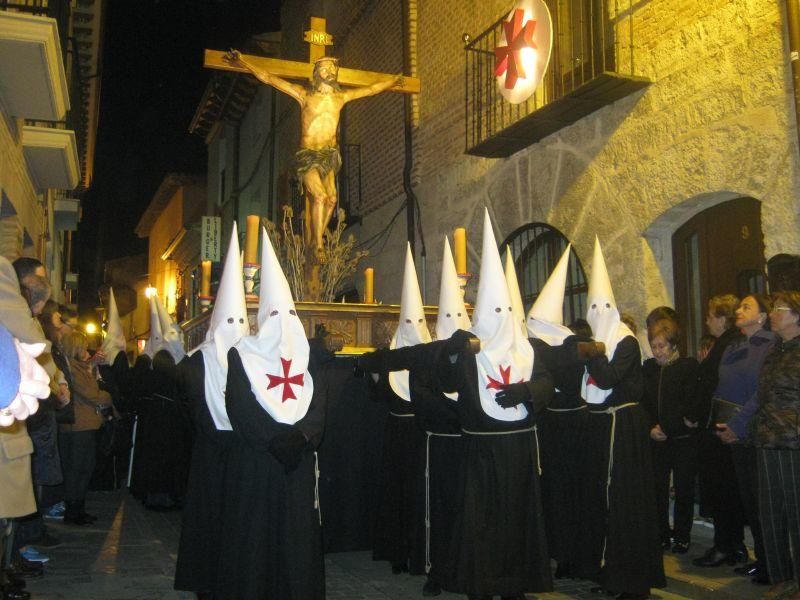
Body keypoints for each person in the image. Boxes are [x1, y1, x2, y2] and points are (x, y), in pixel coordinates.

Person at [438, 209, 553, 600]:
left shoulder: (528, 347)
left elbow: (547, 382)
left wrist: (529, 392)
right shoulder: (470, 350)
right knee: (483, 522)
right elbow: (447, 384)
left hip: (518, 450)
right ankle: (483, 584)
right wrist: (453, 354)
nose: (501, 318)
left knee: (517, 520)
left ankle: (515, 584)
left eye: (506, 310)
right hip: (483, 452)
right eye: (494, 311)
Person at [216, 227, 327, 599]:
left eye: (289, 312)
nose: (283, 319)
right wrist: (273, 439)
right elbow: (240, 406)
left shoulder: (307, 356)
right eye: (275, 312)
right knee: (256, 536)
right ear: (263, 315)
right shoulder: (242, 354)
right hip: (259, 463)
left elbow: (318, 402)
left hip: (295, 463)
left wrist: (301, 437)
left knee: (296, 537)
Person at [225, 50, 402, 257]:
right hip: (308, 155)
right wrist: (244, 62)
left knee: (332, 200)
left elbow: (371, 89)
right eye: (326, 68)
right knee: (318, 196)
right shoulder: (304, 95)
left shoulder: (341, 97)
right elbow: (270, 78)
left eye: (333, 68)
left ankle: (318, 238)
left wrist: (393, 81)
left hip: (329, 155)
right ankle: (317, 243)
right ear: (316, 73)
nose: (331, 71)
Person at [573, 237, 665, 600]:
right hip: (600, 424)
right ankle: (607, 569)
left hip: (623, 429)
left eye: (602, 305)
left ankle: (631, 578)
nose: (597, 311)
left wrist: (594, 352)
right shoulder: (598, 342)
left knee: (625, 503)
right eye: (591, 306)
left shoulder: (625, 342)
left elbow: (609, 379)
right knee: (603, 502)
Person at [174, 224, 250, 598]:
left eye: (241, 322)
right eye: (230, 322)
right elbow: (192, 410)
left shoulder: (252, 360)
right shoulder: (194, 364)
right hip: (210, 451)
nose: (235, 330)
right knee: (209, 518)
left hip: (241, 452)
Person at [526, 244, 589, 580]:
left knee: (568, 493)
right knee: (552, 492)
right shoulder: (552, 346)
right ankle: (556, 550)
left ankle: (569, 555)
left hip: (568, 426)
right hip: (552, 424)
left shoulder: (566, 345)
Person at [369, 244, 430, 579]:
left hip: (422, 435)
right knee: (398, 494)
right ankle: (398, 552)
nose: (412, 326)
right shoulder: (389, 354)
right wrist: (378, 375)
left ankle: (421, 552)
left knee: (420, 494)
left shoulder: (429, 355)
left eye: (417, 320)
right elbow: (378, 395)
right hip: (397, 434)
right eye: (408, 320)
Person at [713, 294, 777, 584]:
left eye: (746, 307)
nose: (739, 310)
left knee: (762, 503)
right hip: (731, 431)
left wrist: (737, 425)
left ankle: (772, 564)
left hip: (753, 431)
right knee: (748, 502)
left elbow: (761, 392)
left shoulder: (770, 345)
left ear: (762, 316)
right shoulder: (734, 345)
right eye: (739, 306)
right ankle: (761, 559)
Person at [693, 294, 749, 568]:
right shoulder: (724, 344)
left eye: (710, 315)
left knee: (723, 490)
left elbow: (713, 385)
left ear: (722, 318)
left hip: (718, 427)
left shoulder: (728, 345)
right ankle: (728, 544)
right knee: (723, 490)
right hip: (713, 426)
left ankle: (726, 545)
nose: (706, 320)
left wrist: (695, 416)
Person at [751, 291, 800, 600]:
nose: (772, 314)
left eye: (778, 309)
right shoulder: (775, 350)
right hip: (768, 439)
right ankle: (782, 575)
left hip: (793, 440)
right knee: (771, 512)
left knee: (797, 512)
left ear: (796, 315)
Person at [641, 319, 699, 553]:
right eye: (654, 346)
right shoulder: (648, 369)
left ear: (673, 345)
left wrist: (673, 425)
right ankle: (661, 533)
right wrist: (650, 427)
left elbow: (689, 400)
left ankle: (682, 535)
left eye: (662, 346)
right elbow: (643, 402)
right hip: (658, 439)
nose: (658, 351)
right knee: (658, 489)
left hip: (682, 439)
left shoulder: (687, 366)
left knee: (684, 488)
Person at [58, 331, 109, 525]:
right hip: (78, 427)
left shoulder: (80, 367)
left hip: (83, 425)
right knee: (77, 469)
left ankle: (78, 508)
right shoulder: (72, 369)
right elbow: (92, 393)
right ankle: (73, 511)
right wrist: (107, 397)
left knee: (84, 468)